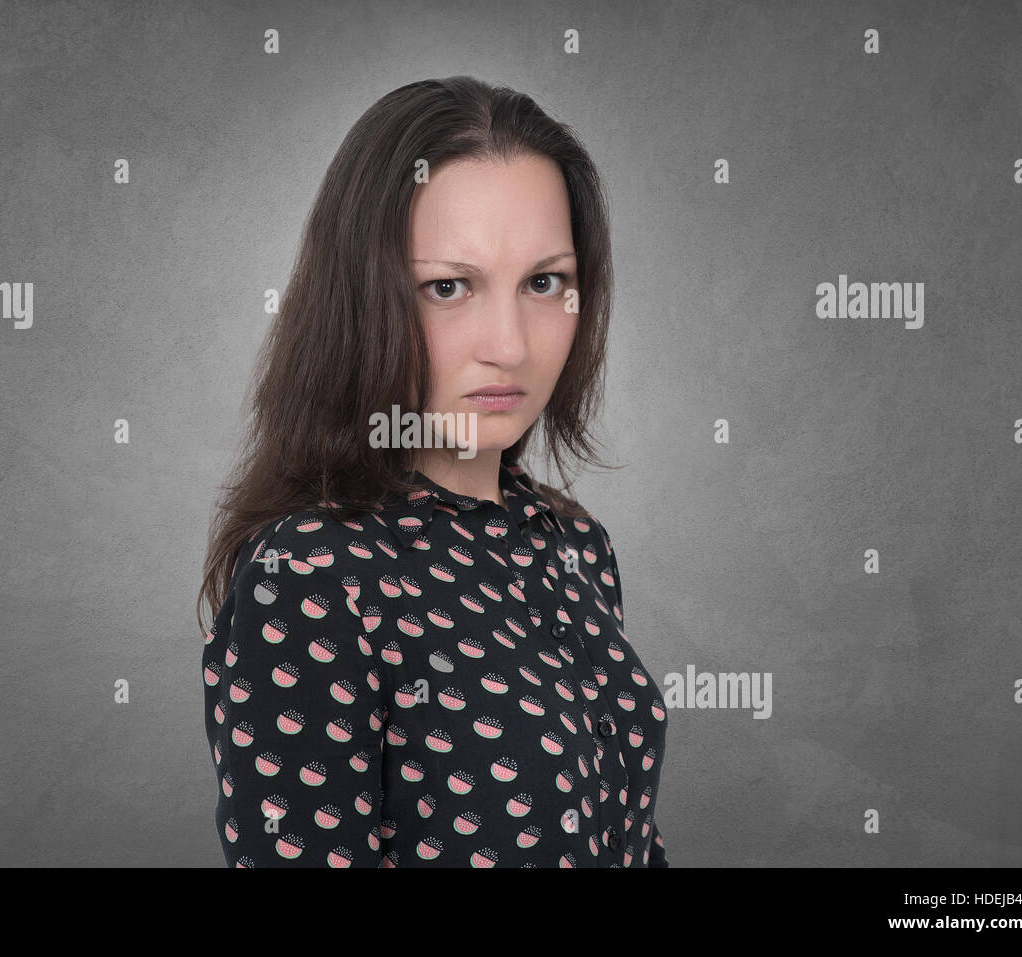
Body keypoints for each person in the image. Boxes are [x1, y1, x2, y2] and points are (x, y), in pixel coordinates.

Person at [197, 76, 669, 867]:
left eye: (543, 282)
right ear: (365, 302)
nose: (510, 345)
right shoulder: (311, 573)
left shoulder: (576, 545)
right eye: (450, 287)